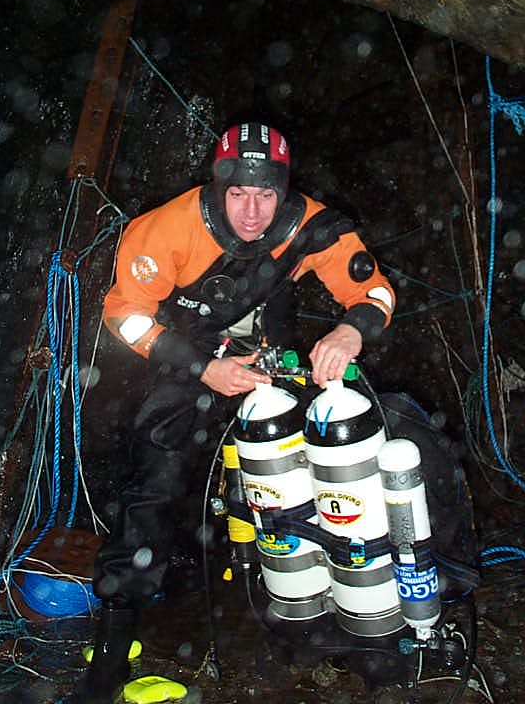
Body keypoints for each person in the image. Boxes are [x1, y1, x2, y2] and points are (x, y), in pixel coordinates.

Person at [77, 120, 395, 702]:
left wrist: (350, 332)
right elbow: (126, 315)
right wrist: (202, 369)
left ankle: (340, 627)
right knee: (154, 487)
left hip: (274, 363)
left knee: (325, 478)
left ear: (284, 190)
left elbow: (374, 291)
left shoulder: (310, 226)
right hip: (189, 359)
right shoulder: (168, 229)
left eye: (266, 194)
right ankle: (110, 659)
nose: (253, 212)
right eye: (240, 194)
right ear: (218, 187)